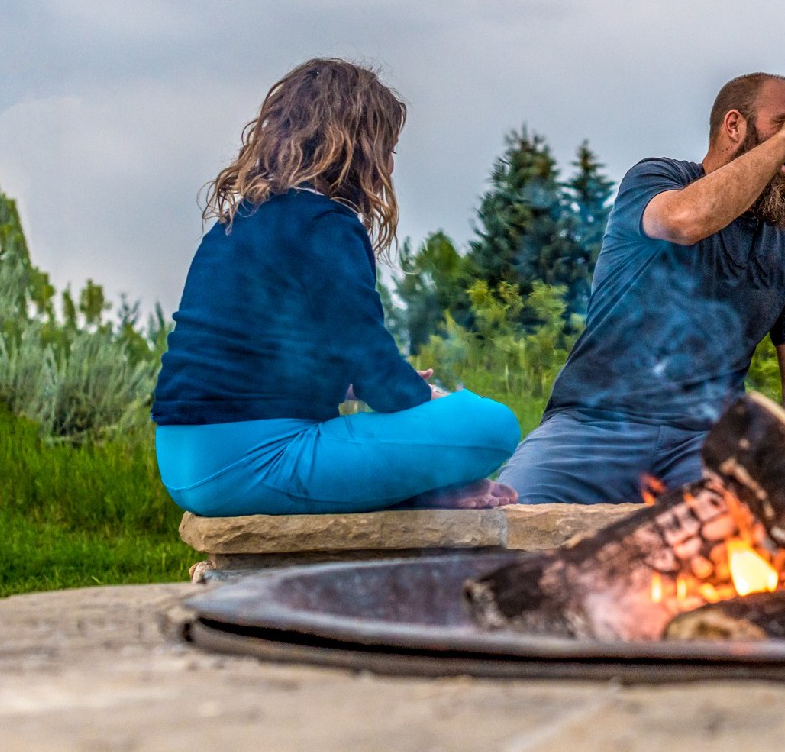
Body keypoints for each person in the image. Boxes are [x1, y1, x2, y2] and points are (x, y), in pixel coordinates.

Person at [151, 58, 520, 516]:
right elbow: (373, 364)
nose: (388, 164)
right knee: (493, 426)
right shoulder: (325, 225)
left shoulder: (236, 223)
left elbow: (249, 359)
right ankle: (427, 485)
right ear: (359, 147)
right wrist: (429, 400)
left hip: (181, 463)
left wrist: (346, 387)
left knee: (413, 427)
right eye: (388, 148)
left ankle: (424, 492)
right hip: (256, 462)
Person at [499, 54, 785, 505]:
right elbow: (685, 221)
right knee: (508, 521)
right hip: (593, 426)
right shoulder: (655, 180)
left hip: (706, 445)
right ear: (733, 126)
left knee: (757, 548)